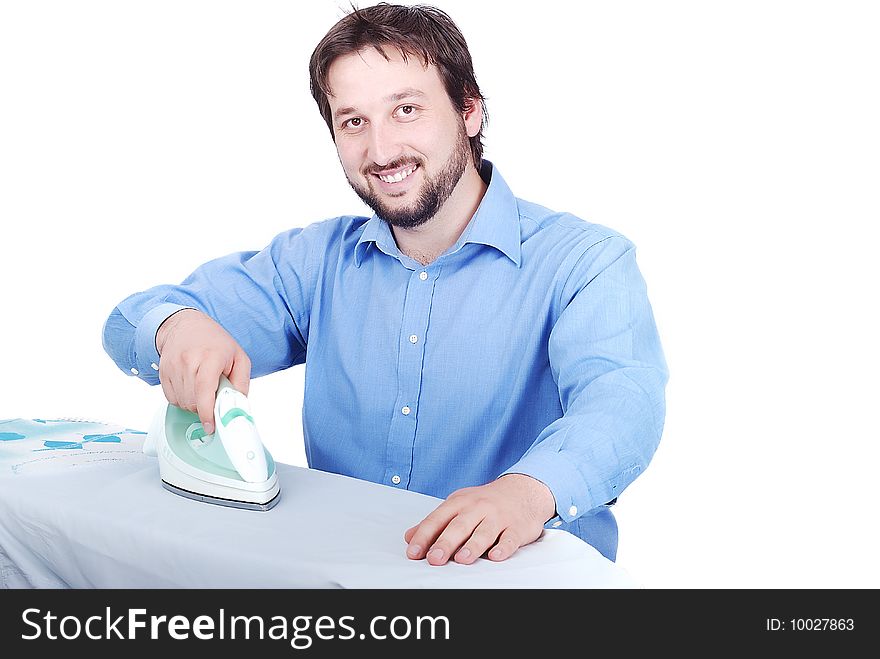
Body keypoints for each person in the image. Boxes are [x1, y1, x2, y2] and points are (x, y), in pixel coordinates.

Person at [102, 3, 668, 566]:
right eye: (354, 121)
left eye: (406, 109)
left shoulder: (585, 261)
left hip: (524, 588)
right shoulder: (313, 264)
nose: (381, 151)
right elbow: (133, 318)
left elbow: (623, 405)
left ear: (469, 110)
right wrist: (175, 328)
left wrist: (527, 492)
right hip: (350, 588)